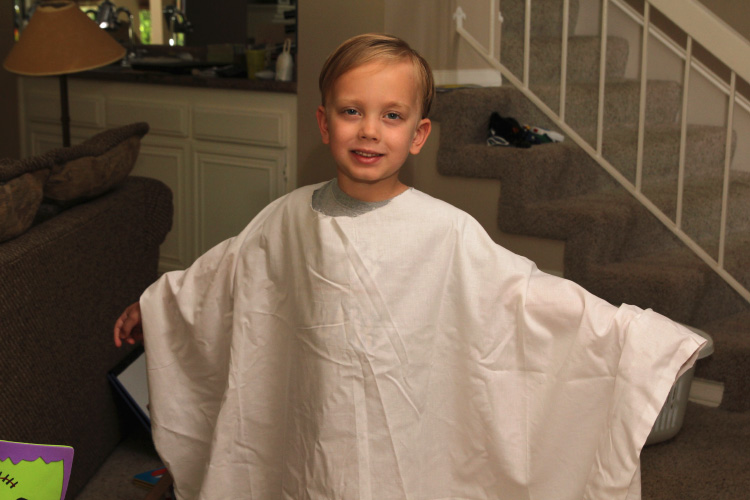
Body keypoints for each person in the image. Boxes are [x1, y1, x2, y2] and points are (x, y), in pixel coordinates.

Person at [114, 33, 704, 500]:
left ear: (419, 134)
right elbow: (225, 274)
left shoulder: (446, 230)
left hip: (405, 419)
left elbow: (525, 295)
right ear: (324, 123)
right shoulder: (287, 217)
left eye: (392, 116)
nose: (370, 130)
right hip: (310, 406)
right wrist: (158, 305)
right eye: (352, 111)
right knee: (313, 473)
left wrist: (638, 339)